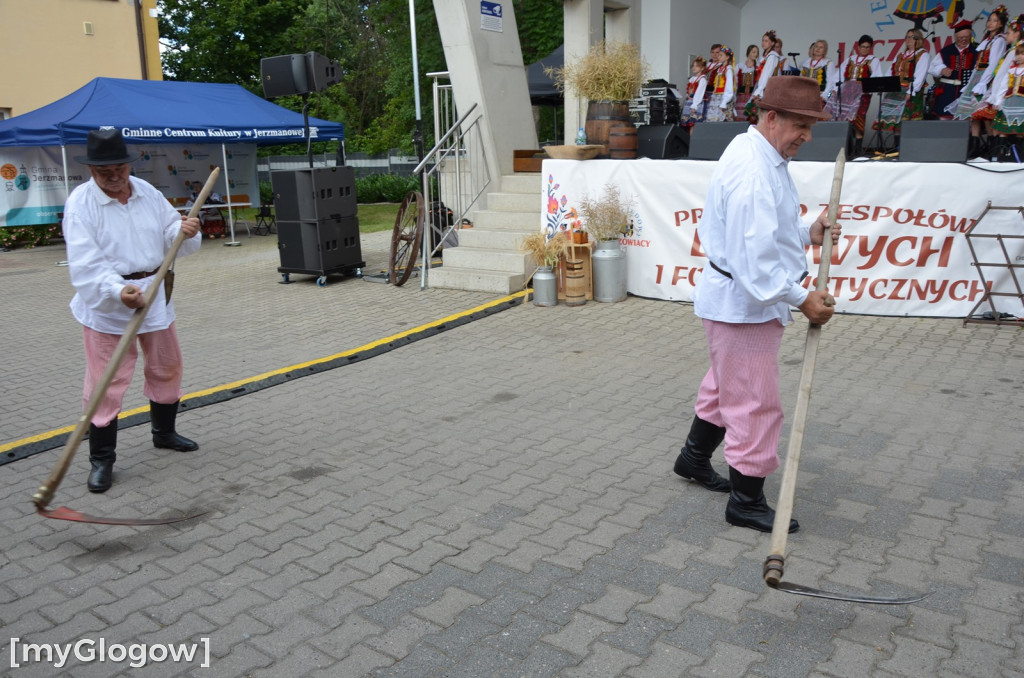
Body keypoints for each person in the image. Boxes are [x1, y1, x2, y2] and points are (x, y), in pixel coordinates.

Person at [674, 76, 842, 533]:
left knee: (724, 384)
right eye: (801, 126)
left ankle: (693, 459)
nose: (806, 137)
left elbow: (768, 231)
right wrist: (803, 298)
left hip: (737, 299)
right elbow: (756, 263)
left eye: (811, 127)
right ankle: (746, 502)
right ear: (772, 118)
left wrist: (810, 231)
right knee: (754, 400)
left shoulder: (761, 153)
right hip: (742, 301)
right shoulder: (753, 170)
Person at [63, 128, 203, 493]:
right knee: (106, 380)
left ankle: (164, 433)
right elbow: (84, 262)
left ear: (129, 165)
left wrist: (183, 229)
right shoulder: (81, 203)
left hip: (154, 291)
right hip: (108, 301)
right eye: (103, 170)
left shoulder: (146, 192)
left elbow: (169, 228)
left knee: (166, 365)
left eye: (118, 168)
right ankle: (102, 460)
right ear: (91, 169)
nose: (113, 176)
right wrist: (116, 291)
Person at [951, 6, 1008, 156]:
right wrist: (971, 83)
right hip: (978, 77)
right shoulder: (987, 40)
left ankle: (992, 146)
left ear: (1001, 24)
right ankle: (975, 145)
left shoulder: (999, 40)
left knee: (985, 114)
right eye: (989, 20)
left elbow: (994, 63)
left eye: (995, 21)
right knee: (973, 114)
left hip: (988, 79)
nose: (990, 23)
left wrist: (983, 83)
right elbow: (978, 65)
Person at [829, 34, 883, 154]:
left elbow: (876, 76)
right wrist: (834, 88)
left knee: (859, 117)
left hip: (862, 93)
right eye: (863, 47)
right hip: (846, 92)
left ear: (871, 48)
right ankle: (845, 147)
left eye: (868, 47)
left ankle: (857, 149)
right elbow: (839, 74)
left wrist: (866, 89)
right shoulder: (850, 59)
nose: (865, 49)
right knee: (842, 116)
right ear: (858, 47)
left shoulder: (874, 60)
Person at [874, 28, 930, 137]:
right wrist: (884, 85)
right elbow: (891, 71)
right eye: (907, 37)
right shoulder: (901, 55)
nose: (909, 39)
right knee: (895, 121)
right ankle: (897, 147)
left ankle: (909, 146)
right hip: (896, 90)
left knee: (907, 119)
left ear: (918, 39)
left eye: (912, 37)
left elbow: (920, 75)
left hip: (910, 90)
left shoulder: (923, 55)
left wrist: (911, 92)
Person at [928, 20, 978, 119]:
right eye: (960, 37)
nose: (963, 40)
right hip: (948, 91)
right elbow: (931, 67)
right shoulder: (946, 50)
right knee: (945, 118)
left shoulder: (977, 50)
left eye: (967, 37)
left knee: (966, 119)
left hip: (967, 91)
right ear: (955, 37)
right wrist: (942, 70)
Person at [745, 30, 784, 122]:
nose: (763, 43)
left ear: (772, 43)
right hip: (762, 88)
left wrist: (758, 92)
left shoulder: (772, 57)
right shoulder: (765, 57)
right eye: (763, 40)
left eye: (766, 41)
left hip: (768, 90)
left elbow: (766, 75)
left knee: (764, 116)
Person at [706, 46, 736, 121]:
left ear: (727, 57)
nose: (718, 57)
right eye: (719, 55)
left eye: (721, 55)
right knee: (714, 118)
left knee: (722, 118)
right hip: (716, 96)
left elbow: (729, 87)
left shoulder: (728, 69)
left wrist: (724, 102)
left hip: (723, 97)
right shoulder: (719, 69)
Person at [683, 56, 710, 126]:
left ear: (702, 68)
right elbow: (688, 91)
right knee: (687, 124)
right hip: (689, 103)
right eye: (693, 66)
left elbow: (699, 93)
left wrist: (694, 106)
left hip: (696, 104)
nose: (694, 68)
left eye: (697, 66)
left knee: (694, 124)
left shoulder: (702, 79)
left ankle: (693, 137)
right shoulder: (692, 79)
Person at [735, 44, 760, 119]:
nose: (756, 54)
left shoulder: (758, 67)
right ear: (748, 53)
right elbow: (735, 80)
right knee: (740, 115)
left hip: (751, 96)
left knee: (751, 116)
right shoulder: (740, 65)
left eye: (757, 52)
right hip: (740, 96)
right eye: (753, 52)